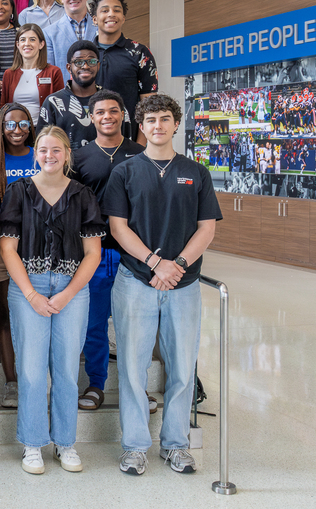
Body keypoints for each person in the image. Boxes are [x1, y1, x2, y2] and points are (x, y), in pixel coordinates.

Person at [102, 94, 221, 476]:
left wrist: (178, 265)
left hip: (183, 284)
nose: (158, 125)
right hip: (136, 280)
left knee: (183, 366)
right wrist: (156, 263)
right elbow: (118, 227)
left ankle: (175, 444)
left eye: (165, 119)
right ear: (141, 125)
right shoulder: (124, 171)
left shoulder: (195, 172)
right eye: (150, 119)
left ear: (175, 123)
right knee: (134, 367)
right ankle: (136, 446)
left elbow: (207, 228)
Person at [0, 125, 104, 475]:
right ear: (35, 153)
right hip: (29, 286)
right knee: (30, 370)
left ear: (67, 155)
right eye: (43, 149)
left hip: (72, 289)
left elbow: (92, 253)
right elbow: (7, 248)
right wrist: (31, 293)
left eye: (56, 150)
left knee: (67, 370)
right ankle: (32, 443)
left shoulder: (83, 195)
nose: (49, 155)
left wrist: (68, 293)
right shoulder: (18, 193)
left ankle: (66, 442)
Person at [72, 90, 144, 412]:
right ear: (92, 117)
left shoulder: (140, 154)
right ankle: (96, 384)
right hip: (95, 255)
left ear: (123, 115)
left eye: (114, 111)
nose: (107, 117)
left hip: (133, 255)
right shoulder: (79, 157)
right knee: (95, 325)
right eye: (100, 112)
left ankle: (137, 388)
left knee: (135, 326)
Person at [0, 102, 37, 408]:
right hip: (3, 249)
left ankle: (36, 378)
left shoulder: (41, 158)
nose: (17, 130)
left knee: (35, 315)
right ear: (0, 129)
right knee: (5, 315)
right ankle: (11, 382)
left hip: (40, 249)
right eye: (10, 125)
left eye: (23, 124)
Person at [91, 0, 159, 143]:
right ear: (95, 19)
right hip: (90, 141)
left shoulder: (140, 53)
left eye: (117, 10)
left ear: (123, 18)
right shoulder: (85, 55)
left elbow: (149, 105)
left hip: (128, 141)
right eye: (105, 10)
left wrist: (140, 145)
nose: (111, 14)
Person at [37, 40, 127, 149]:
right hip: (66, 165)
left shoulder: (112, 101)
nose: (85, 66)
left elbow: (126, 140)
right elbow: (42, 145)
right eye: (78, 62)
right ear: (69, 67)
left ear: (98, 66)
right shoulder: (53, 102)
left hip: (109, 165)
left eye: (91, 61)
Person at [0, 24, 64, 119]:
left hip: (43, 129)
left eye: (32, 39)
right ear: (18, 45)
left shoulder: (54, 72)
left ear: (41, 44)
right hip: (15, 130)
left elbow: (60, 108)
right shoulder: (9, 74)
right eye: (23, 40)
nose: (27, 43)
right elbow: (3, 107)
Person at [47, 0, 97, 83]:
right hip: (65, 94)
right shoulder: (49, 33)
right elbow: (50, 73)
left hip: (99, 94)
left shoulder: (100, 28)